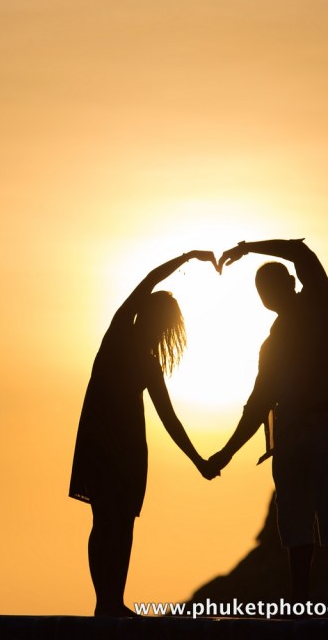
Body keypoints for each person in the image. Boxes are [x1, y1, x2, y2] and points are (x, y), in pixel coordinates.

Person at [207, 239, 328, 602]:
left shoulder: (319, 304)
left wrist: (246, 248)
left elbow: (300, 252)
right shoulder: (271, 344)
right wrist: (226, 453)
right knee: (294, 518)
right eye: (262, 291)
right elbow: (258, 403)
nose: (268, 295)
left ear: (291, 283)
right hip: (291, 432)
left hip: (325, 424)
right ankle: (300, 602)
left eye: (272, 287)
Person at [69, 250, 219, 617]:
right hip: (102, 442)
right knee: (106, 520)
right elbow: (150, 279)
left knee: (121, 523)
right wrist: (189, 257)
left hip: (129, 447)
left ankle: (113, 600)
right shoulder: (120, 332)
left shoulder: (148, 363)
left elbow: (169, 419)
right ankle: (105, 602)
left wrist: (199, 461)